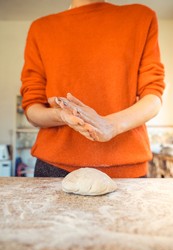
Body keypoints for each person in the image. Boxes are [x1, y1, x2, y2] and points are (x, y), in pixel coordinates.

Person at [20, 0, 165, 178]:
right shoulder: (41, 29)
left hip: (126, 168)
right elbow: (32, 108)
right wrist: (62, 116)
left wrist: (110, 125)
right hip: (55, 167)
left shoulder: (141, 18)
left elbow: (153, 96)